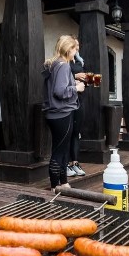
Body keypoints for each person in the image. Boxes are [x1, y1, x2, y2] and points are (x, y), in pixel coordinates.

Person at [42, 35, 85, 189]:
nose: (76, 52)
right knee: (59, 151)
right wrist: (76, 88)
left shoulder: (53, 64)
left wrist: (72, 82)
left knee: (62, 149)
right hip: (62, 113)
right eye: (74, 48)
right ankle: (55, 186)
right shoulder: (64, 65)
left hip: (54, 114)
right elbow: (59, 91)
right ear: (69, 49)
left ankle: (64, 182)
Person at [66, 51, 87, 177]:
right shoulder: (63, 63)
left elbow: (84, 81)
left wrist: (87, 81)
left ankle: (75, 162)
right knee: (67, 132)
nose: (77, 48)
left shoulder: (80, 62)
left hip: (79, 100)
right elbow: (60, 81)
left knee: (76, 132)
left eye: (78, 46)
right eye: (75, 46)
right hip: (67, 101)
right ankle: (66, 163)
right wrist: (75, 76)